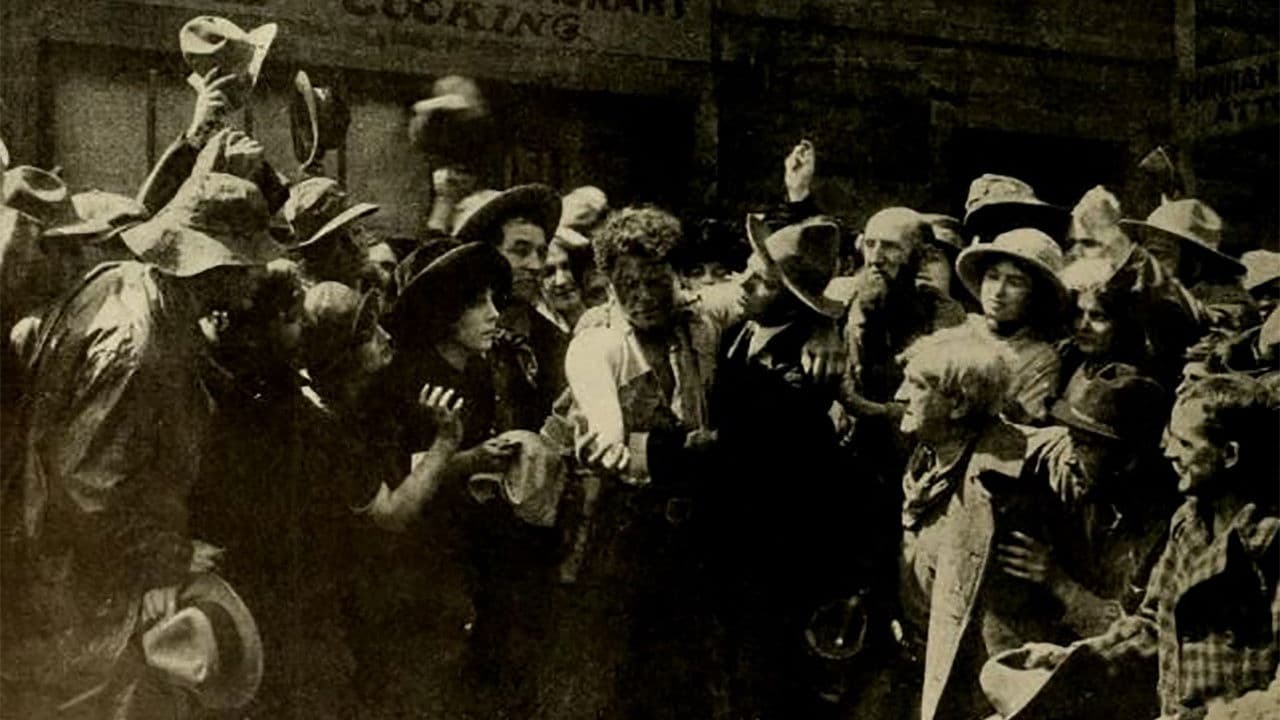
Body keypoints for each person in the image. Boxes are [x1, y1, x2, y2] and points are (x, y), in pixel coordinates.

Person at [0, 168, 283, 718]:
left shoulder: (127, 283)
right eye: (248, 262)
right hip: (75, 580)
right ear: (215, 265)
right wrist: (165, 559)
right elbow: (88, 487)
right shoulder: (141, 346)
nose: (258, 275)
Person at [542, 206, 728, 719]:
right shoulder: (597, 337)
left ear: (677, 276)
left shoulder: (701, 325)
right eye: (628, 284)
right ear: (608, 283)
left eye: (655, 281)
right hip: (619, 532)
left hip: (692, 534)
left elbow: (770, 287)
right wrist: (609, 443)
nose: (643, 296)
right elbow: (602, 414)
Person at [707, 215, 864, 719]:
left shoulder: (804, 365)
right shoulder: (740, 331)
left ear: (794, 299)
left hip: (776, 547)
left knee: (765, 676)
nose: (744, 284)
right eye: (748, 271)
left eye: (763, 282)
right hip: (735, 540)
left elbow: (747, 447)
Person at [1073, 374, 1279, 718]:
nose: (1169, 453)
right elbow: (1155, 623)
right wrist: (1076, 659)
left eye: (1185, 444)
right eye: (1171, 438)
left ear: (1229, 454)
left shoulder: (1270, 545)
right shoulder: (1187, 523)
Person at [884, 325, 1062, 720]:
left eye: (917, 385)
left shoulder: (1007, 482)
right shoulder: (923, 458)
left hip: (968, 690)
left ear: (959, 404)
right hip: (910, 663)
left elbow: (1059, 447)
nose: (900, 395)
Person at [1015, 365, 1177, 643]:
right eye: (1072, 440)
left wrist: (1058, 582)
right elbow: (1012, 439)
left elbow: (1137, 638)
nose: (1070, 456)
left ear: (1129, 460)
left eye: (1084, 446)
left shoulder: (1167, 529)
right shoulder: (1070, 462)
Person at [454, 183, 566, 430]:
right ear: (485, 258)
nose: (536, 265)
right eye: (520, 251)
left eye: (541, 253)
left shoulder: (553, 343)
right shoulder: (455, 337)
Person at [955, 228, 1068, 424]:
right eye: (993, 276)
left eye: (1015, 283)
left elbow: (1023, 427)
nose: (998, 291)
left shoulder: (1040, 359)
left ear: (1036, 296)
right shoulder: (960, 328)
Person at [281, 177, 379, 289]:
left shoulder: (371, 285)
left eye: (357, 232)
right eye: (343, 241)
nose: (356, 246)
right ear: (315, 254)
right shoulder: (312, 295)